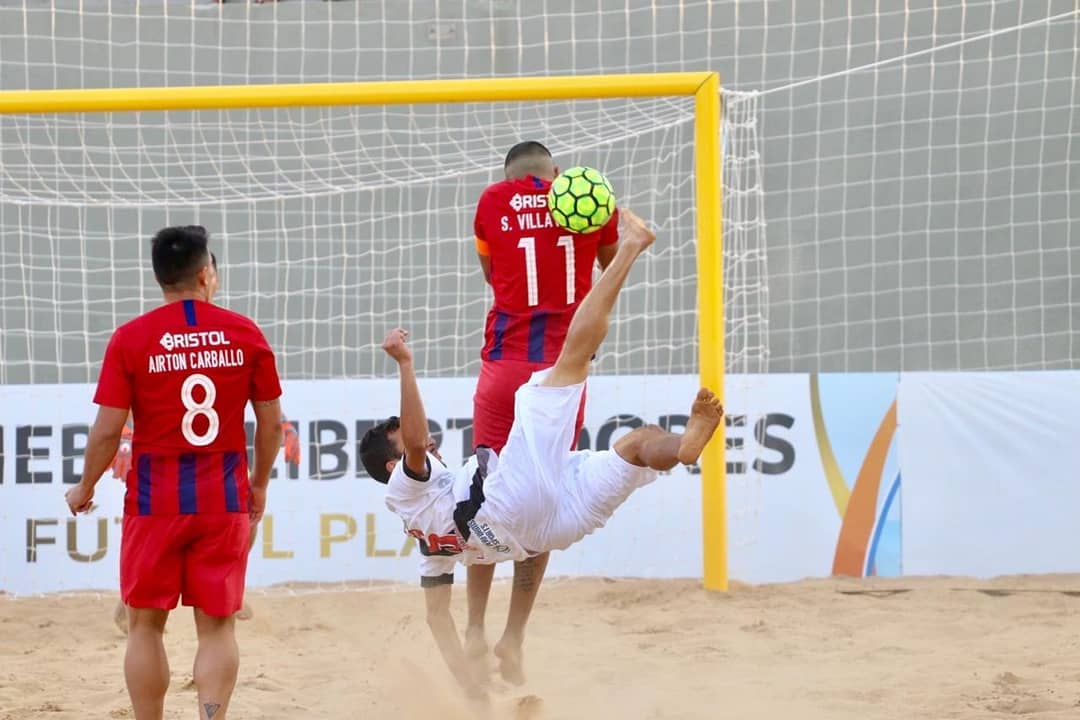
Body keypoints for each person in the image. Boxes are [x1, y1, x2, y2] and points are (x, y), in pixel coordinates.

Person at [360, 209, 723, 699]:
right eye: (401, 440)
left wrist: (470, 689)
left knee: (638, 444)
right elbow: (419, 438)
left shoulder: (427, 547)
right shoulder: (406, 488)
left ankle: (681, 447)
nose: (424, 443)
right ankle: (633, 244)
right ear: (392, 465)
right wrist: (405, 365)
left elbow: (435, 618)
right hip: (509, 501)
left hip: (542, 531)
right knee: (565, 366)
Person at [65, 226, 284, 720]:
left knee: (145, 627)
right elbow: (271, 424)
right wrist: (260, 486)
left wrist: (86, 486)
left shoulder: (131, 338)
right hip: (221, 497)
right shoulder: (244, 332)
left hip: (154, 501)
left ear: (159, 278)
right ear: (207, 273)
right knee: (218, 628)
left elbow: (106, 432)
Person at [467, 140, 620, 683]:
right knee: (542, 500)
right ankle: (514, 637)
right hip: (561, 377)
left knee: (484, 497)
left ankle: (473, 629)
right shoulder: (585, 199)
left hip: (504, 368)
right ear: (556, 173)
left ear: (508, 174)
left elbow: (491, 275)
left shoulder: (491, 201)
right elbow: (607, 269)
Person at [106, 252, 301, 635]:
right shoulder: (231, 331)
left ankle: (221, 592)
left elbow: (262, 410)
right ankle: (131, 603)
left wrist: (283, 428)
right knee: (239, 504)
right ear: (205, 275)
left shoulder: (225, 332)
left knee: (242, 510)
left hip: (200, 461)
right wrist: (126, 441)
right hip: (176, 463)